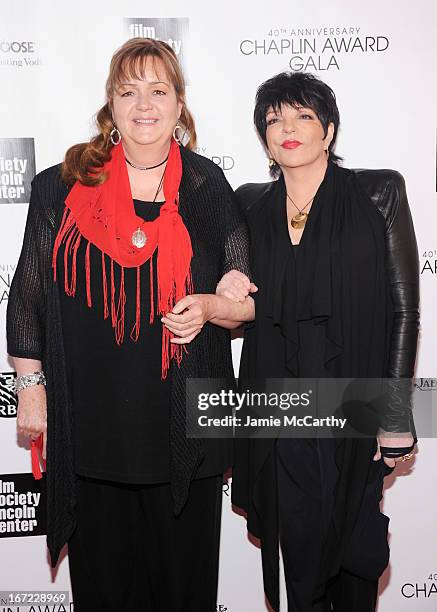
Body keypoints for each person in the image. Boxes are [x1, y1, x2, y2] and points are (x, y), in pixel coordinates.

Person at [6, 38, 254, 612]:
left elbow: (244, 301)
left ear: (179, 104)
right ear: (110, 106)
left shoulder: (204, 186)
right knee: (105, 592)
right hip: (91, 430)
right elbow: (27, 297)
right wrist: (29, 386)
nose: (144, 104)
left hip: (182, 434)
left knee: (183, 592)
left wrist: (215, 306)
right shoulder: (62, 184)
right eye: (129, 91)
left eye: (158, 90)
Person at [231, 72, 419, 611]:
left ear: (328, 129)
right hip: (283, 415)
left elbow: (403, 310)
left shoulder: (378, 191)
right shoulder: (248, 205)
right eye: (274, 120)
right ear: (263, 136)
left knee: (355, 562)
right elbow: (235, 299)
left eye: (303, 117)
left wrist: (397, 413)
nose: (287, 129)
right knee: (305, 566)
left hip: (355, 410)